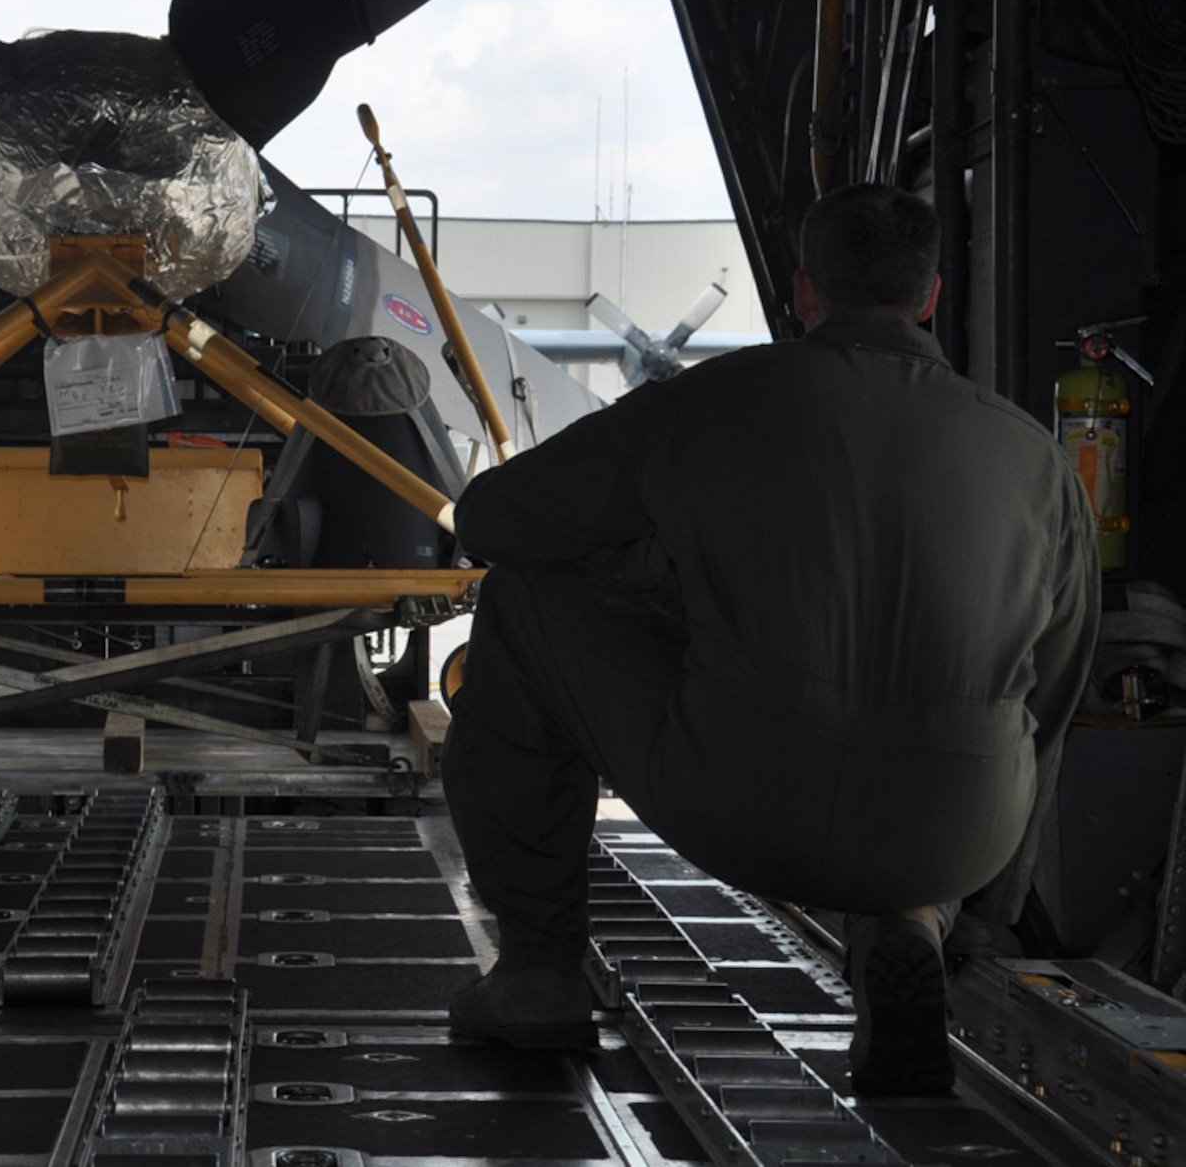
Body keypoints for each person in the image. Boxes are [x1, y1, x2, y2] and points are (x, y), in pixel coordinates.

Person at [440, 183, 1099, 1095]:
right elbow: (1053, 700)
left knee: (522, 599)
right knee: (966, 729)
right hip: (958, 831)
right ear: (933, 295)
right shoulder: (1038, 459)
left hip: (747, 805)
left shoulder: (718, 400)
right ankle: (917, 920)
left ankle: (538, 972)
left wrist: (657, 574)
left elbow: (494, 519)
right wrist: (985, 907)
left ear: (802, 293)